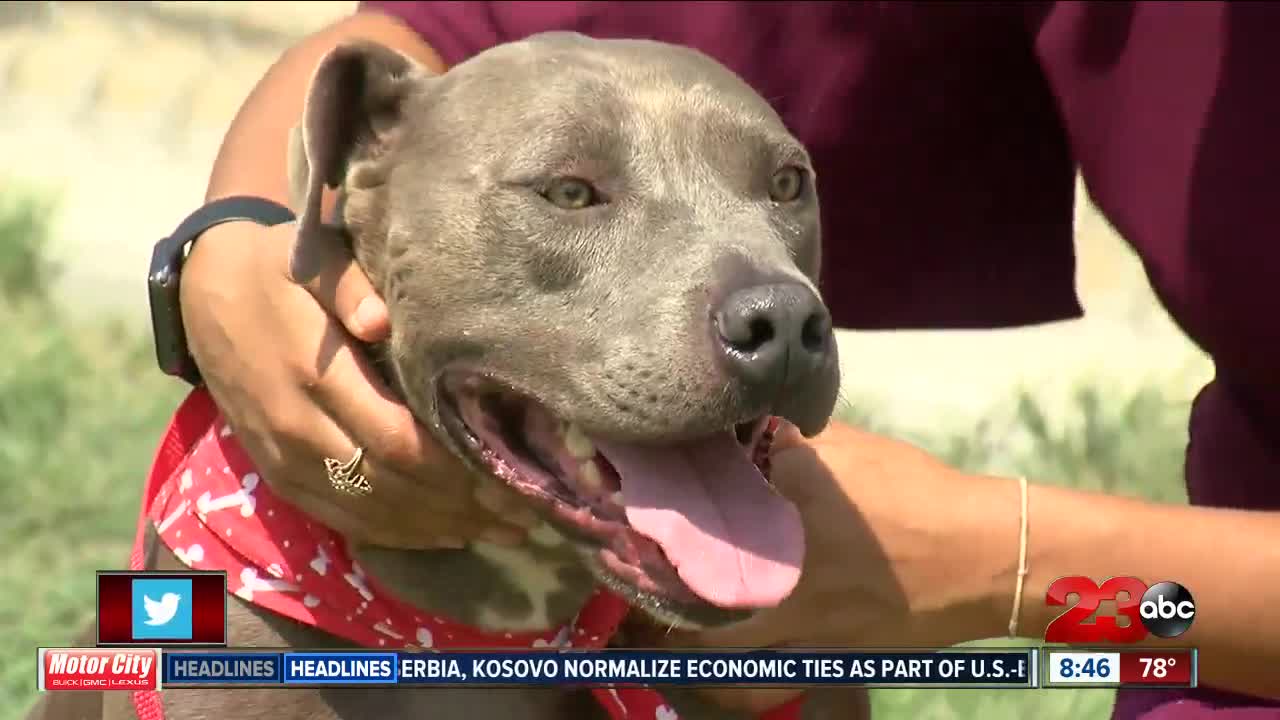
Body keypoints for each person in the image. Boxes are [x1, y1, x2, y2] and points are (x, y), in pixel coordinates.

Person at [174, 2, 1280, 718]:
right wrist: (229, 245)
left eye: (781, 189)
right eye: (569, 194)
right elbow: (443, 26)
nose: (774, 300)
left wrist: (1004, 565)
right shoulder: (203, 610)